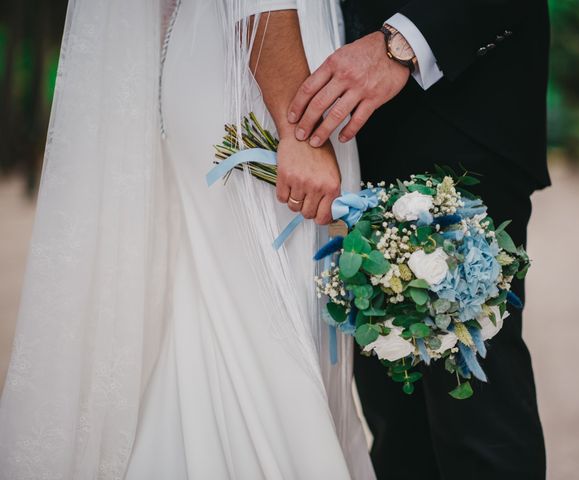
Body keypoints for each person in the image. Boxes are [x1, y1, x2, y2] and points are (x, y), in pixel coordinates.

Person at [0, 1, 374, 478]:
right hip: (261, 78)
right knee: (260, 327)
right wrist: (299, 133)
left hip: (243, 61)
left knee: (225, 313)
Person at [287, 1, 550, 479]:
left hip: (459, 110)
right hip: (354, 137)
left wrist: (403, 43)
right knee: (395, 416)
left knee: (472, 405)